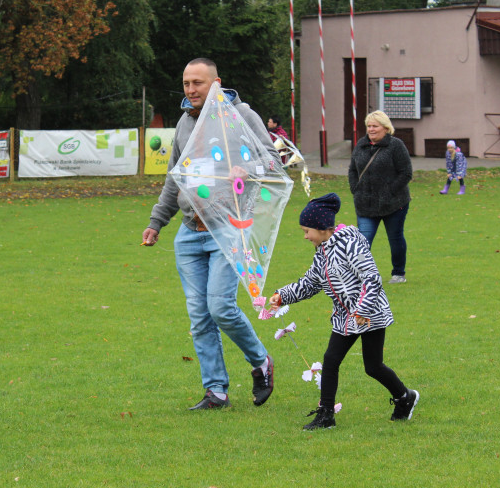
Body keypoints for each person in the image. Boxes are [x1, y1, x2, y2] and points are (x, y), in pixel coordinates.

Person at [142, 58, 277, 410]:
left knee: (220, 307)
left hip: (228, 229)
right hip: (189, 233)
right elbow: (175, 178)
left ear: (216, 83)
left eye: (198, 83)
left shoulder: (242, 117)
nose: (191, 90)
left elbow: (272, 162)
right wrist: (157, 222)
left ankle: (260, 361)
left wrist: (245, 168)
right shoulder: (184, 125)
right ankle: (216, 391)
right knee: (200, 317)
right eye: (186, 83)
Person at [268, 193, 418, 430]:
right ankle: (326, 415)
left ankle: (405, 397)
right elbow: (310, 282)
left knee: (373, 366)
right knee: (331, 360)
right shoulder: (322, 252)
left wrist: (364, 308)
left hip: (369, 314)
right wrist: (282, 295)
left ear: (322, 228)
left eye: (307, 230)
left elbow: (372, 277)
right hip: (345, 317)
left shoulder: (351, 244)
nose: (305, 236)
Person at [347, 110, 412, 284]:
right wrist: (355, 188)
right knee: (363, 240)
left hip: (394, 204)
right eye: (369, 126)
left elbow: (406, 173)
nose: (371, 129)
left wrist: (389, 191)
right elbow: (353, 170)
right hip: (365, 204)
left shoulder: (396, 145)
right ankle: (361, 275)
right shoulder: (361, 145)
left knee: (395, 237)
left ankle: (398, 273)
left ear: (385, 128)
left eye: (375, 126)